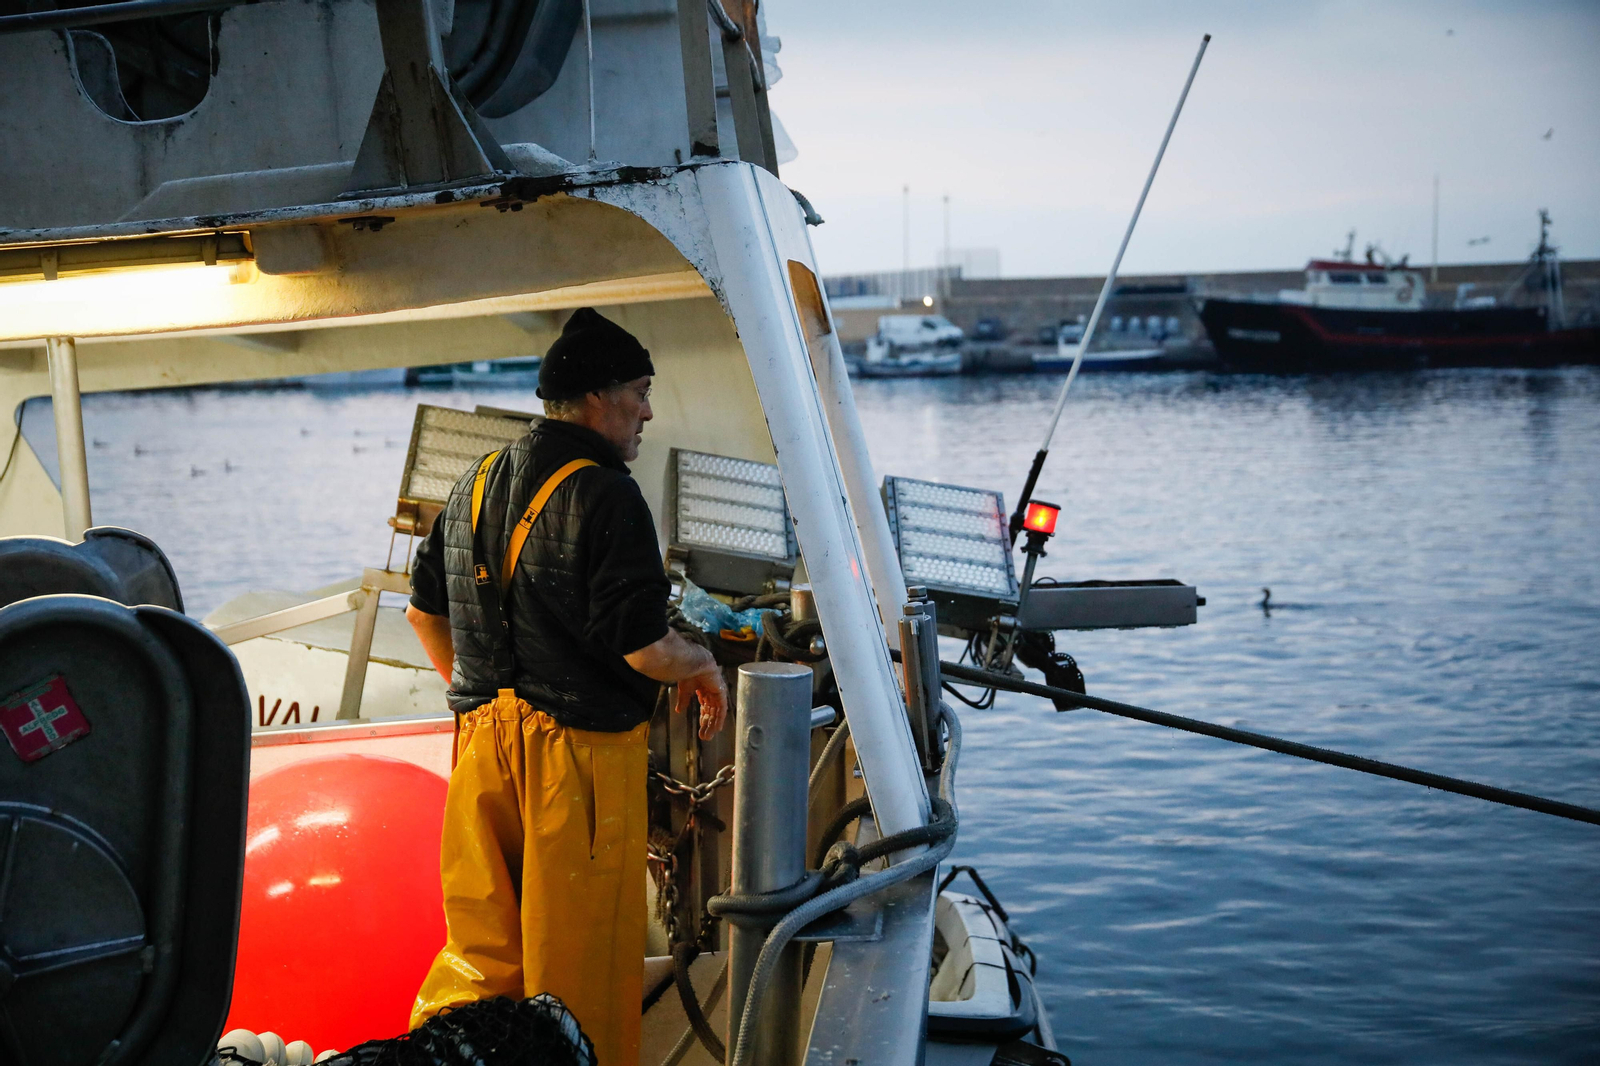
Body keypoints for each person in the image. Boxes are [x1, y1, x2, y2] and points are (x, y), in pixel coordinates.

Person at [404, 307, 729, 1066]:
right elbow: (646, 648)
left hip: (481, 751)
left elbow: (423, 613)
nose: (648, 411)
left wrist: (483, 694)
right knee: (577, 977)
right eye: (641, 392)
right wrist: (704, 665)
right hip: (573, 769)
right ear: (598, 395)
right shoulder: (607, 493)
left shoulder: (475, 481)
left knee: (480, 961)